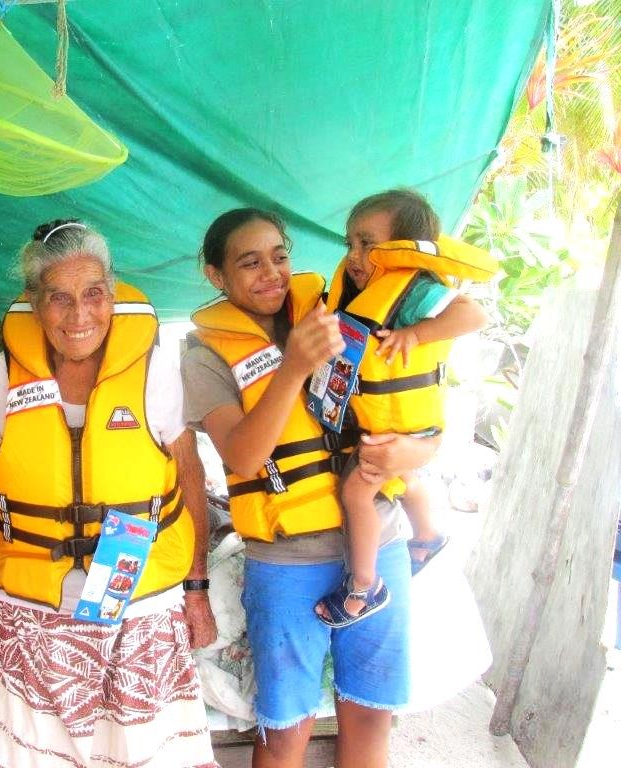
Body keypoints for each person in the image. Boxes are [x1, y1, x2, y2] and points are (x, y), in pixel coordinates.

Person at [182, 208, 439, 768]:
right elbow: (244, 455)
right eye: (249, 263)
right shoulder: (205, 355)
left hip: (379, 542)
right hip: (289, 560)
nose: (271, 273)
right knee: (286, 729)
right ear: (216, 276)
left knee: (372, 712)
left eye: (280, 256)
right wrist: (294, 366)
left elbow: (412, 414)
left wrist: (412, 452)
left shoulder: (336, 312)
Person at [0, 219, 218, 768]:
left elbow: (189, 475)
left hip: (141, 597)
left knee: (143, 752)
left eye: (94, 294)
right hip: (26, 603)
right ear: (34, 303)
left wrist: (197, 587)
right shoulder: (0, 378)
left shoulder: (153, 373)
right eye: (59, 298)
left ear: (113, 294)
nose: (79, 315)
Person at [317, 189, 490, 626]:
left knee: (357, 492)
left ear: (404, 251)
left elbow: (473, 315)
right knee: (404, 477)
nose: (355, 255)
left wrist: (416, 334)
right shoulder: (356, 289)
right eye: (351, 243)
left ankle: (364, 586)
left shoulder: (413, 292)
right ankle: (428, 536)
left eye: (368, 244)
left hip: (400, 428)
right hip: (393, 426)